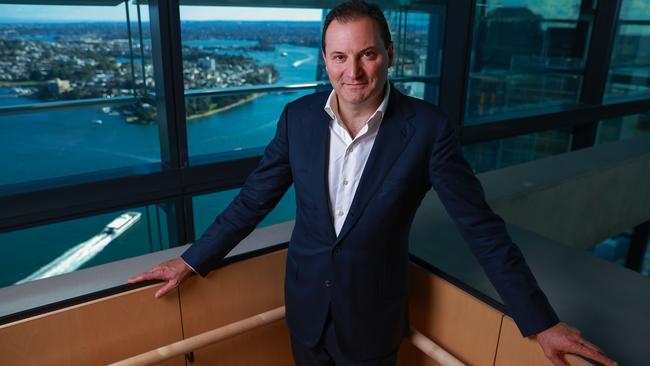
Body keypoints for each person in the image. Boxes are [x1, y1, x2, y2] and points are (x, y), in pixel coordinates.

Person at [129, 2, 617, 365]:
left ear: (388, 53)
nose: (353, 72)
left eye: (366, 54)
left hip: (372, 319)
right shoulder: (297, 119)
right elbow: (253, 199)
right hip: (304, 308)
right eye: (339, 57)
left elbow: (481, 229)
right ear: (325, 59)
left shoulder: (427, 129)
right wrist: (192, 260)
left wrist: (541, 320)